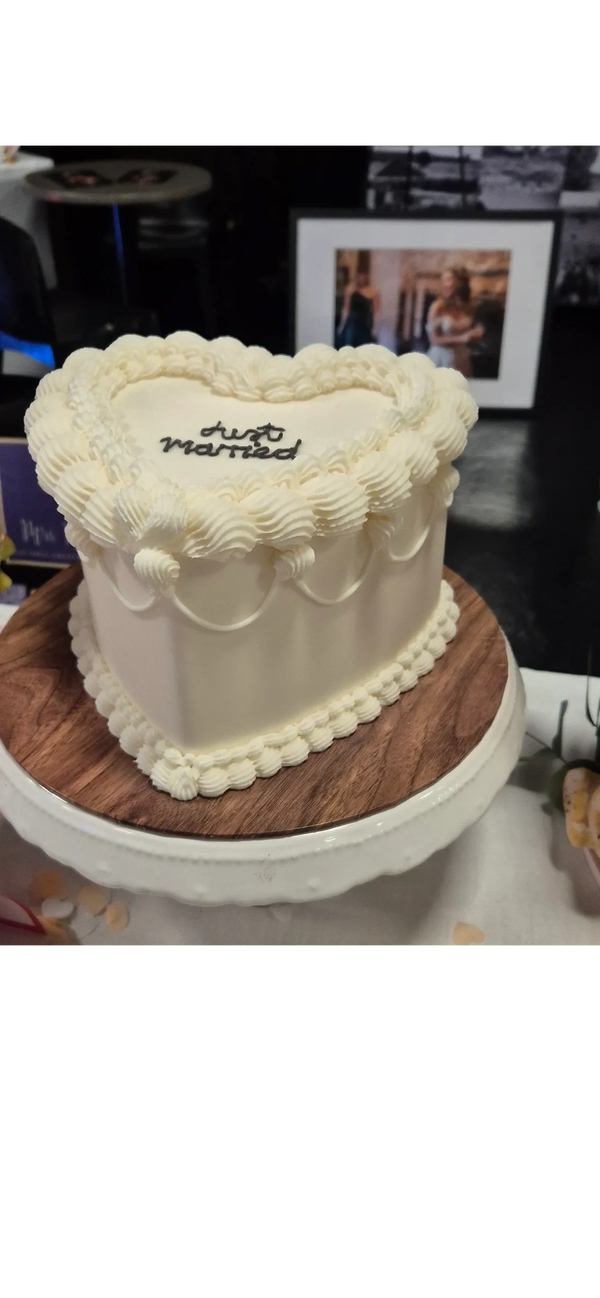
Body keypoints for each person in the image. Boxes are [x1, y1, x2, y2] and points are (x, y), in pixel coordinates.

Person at [426, 267, 483, 378]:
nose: (447, 284)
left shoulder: (469, 307)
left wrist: (475, 336)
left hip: (462, 359)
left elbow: (471, 335)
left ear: (460, 282)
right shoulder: (437, 307)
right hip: (441, 359)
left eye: (450, 279)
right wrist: (462, 338)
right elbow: (433, 340)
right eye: (444, 280)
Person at [337, 270, 381, 347]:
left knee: (365, 345)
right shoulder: (350, 290)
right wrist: (341, 326)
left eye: (363, 276)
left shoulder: (373, 291)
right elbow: (346, 309)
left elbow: (376, 311)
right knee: (350, 342)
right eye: (359, 276)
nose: (361, 278)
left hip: (366, 322)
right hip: (353, 322)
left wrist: (376, 329)